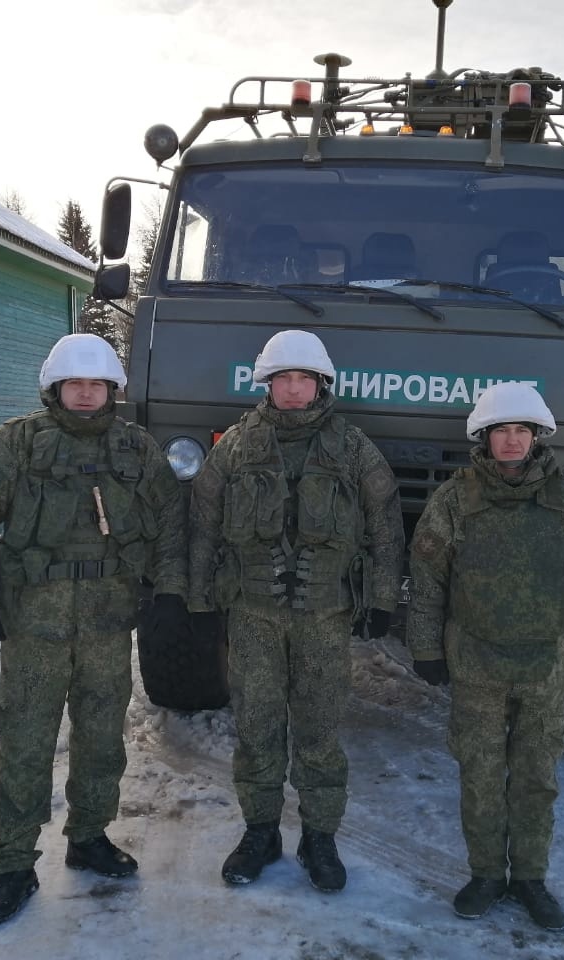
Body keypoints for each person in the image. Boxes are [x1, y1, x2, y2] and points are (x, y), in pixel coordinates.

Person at [0, 333, 188, 925]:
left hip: (108, 622)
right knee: (26, 742)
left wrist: (172, 592)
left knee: (102, 739)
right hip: (34, 624)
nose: (86, 394)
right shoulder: (18, 444)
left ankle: (89, 837)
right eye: (75, 385)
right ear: (56, 388)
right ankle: (13, 863)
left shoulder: (137, 450)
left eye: (97, 384)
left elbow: (171, 522)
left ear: (112, 391)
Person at [188, 329, 403, 892]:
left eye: (302, 379)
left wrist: (381, 599)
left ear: (319, 385)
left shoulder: (352, 447)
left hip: (324, 616)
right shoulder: (236, 444)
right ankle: (260, 831)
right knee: (257, 726)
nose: (292, 389)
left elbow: (385, 526)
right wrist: (199, 598)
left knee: (318, 731)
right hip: (253, 615)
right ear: (268, 384)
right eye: (283, 379)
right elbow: (204, 522)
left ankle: (319, 837)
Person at [406, 380, 564, 930]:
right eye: (502, 432)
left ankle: (529, 878)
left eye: (522, 431)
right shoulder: (455, 498)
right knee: (479, 772)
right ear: (486, 437)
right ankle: (486, 876)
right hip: (476, 666)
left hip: (545, 668)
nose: (513, 441)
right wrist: (425, 648)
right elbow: (427, 579)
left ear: (537, 437)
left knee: (535, 776)